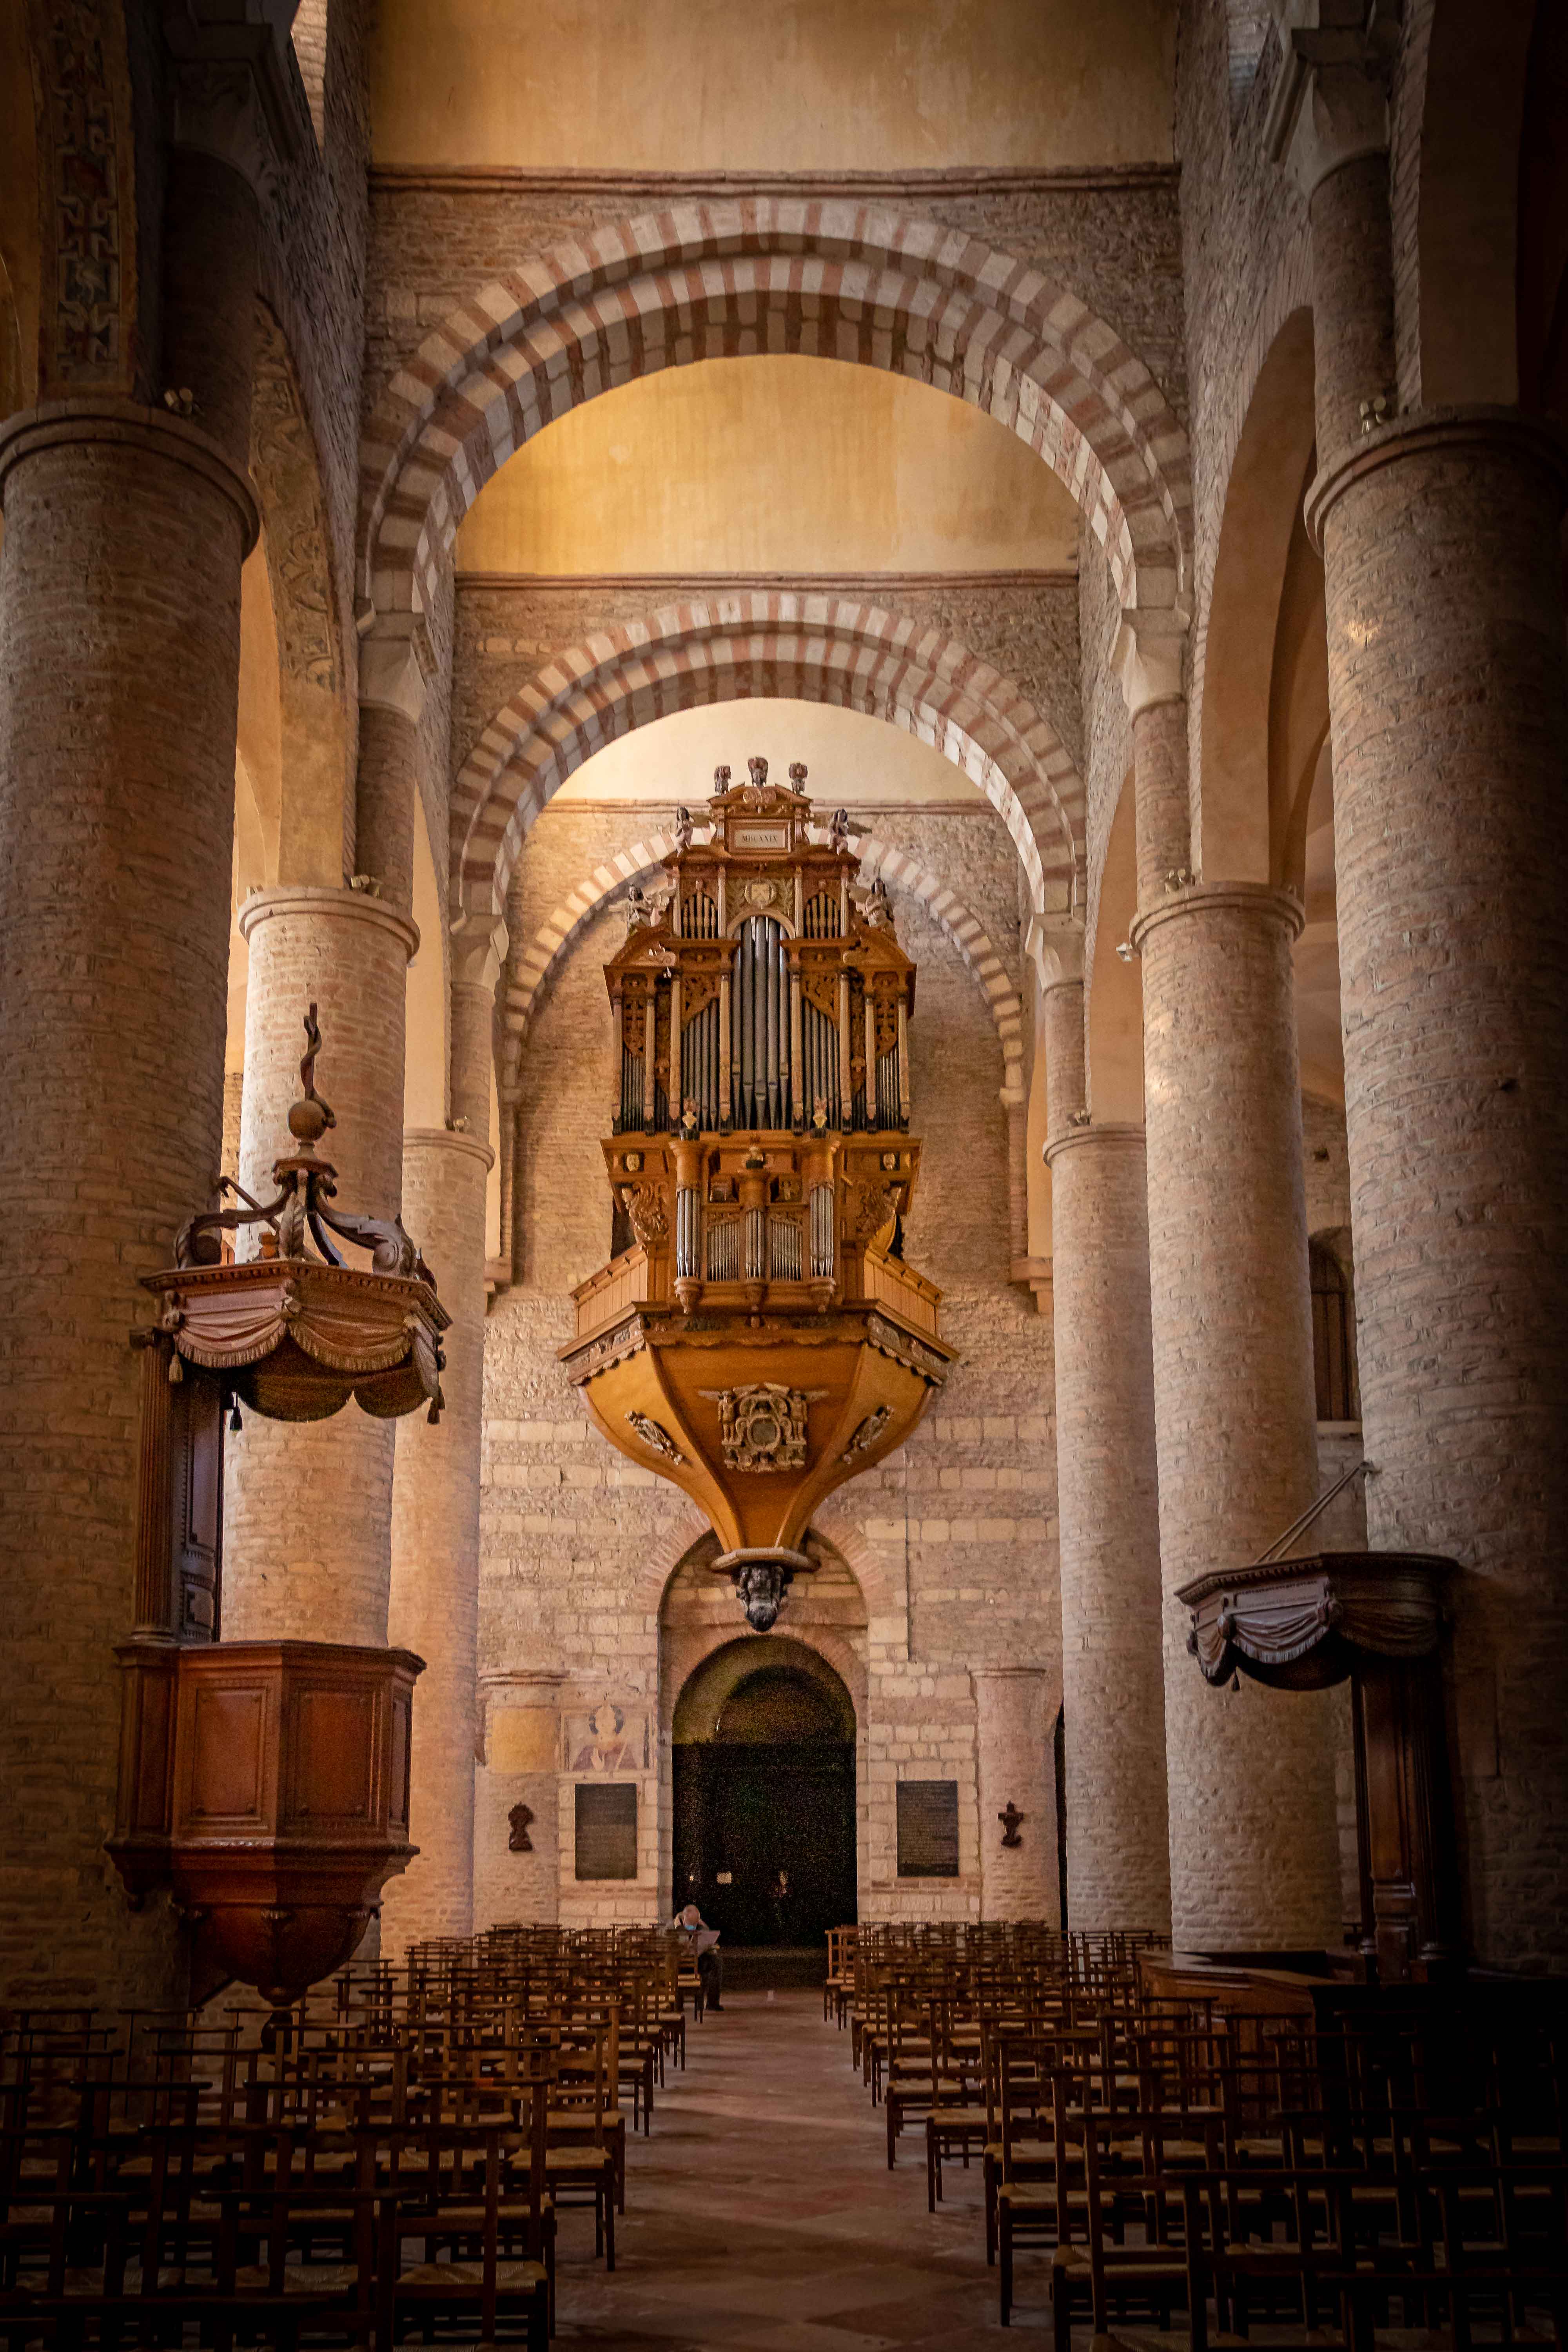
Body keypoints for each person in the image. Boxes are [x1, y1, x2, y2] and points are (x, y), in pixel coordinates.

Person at [671, 1900, 722, 2011]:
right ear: (684, 1920)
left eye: (694, 1925)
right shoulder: (671, 1927)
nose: (692, 1928)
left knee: (716, 1962)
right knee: (669, 1967)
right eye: (690, 1926)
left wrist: (702, 1926)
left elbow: (708, 1939)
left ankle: (713, 2003)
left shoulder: (700, 1926)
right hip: (679, 1964)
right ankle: (674, 2004)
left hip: (697, 1962)